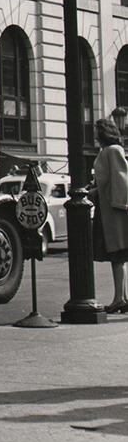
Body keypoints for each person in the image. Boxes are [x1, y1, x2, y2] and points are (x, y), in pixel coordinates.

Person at [89, 117, 128, 313]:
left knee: (117, 254)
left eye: (97, 131)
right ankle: (121, 297)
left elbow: (121, 177)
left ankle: (119, 298)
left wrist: (120, 203)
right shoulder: (108, 150)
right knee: (118, 255)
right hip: (110, 209)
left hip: (114, 211)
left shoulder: (112, 151)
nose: (95, 134)